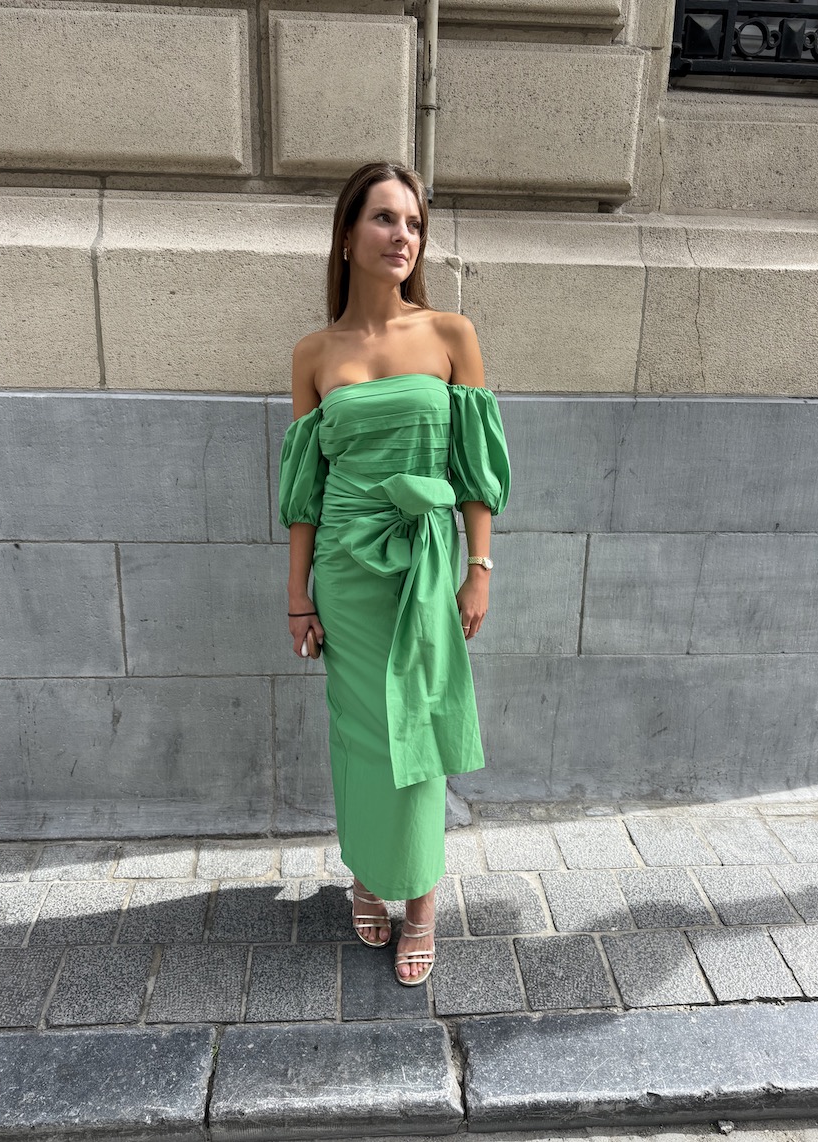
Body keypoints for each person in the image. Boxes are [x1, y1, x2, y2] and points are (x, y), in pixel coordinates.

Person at [278, 161, 510, 986]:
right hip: (345, 569)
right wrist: (298, 596)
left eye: (413, 223)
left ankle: (420, 906)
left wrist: (478, 567)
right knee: (360, 732)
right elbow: (303, 491)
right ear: (347, 236)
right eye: (383, 218)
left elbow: (475, 468)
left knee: (418, 728)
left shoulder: (450, 334)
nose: (401, 236)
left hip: (425, 564)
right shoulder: (314, 353)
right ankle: (368, 877)